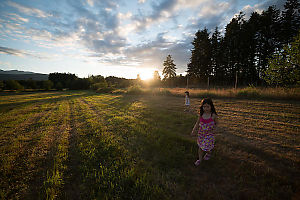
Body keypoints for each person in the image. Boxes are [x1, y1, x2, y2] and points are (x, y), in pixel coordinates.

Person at [191, 98, 218, 166]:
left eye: (207, 106)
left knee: (206, 147)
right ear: (202, 107)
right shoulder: (201, 115)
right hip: (201, 134)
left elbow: (217, 124)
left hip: (209, 134)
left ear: (211, 106)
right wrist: (194, 130)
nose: (206, 108)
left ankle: (209, 153)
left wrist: (215, 129)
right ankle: (200, 160)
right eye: (204, 106)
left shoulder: (213, 115)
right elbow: (197, 123)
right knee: (200, 147)